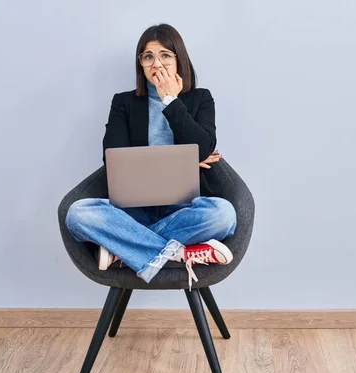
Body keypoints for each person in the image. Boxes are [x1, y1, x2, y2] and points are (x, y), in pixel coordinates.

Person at [65, 24, 237, 289]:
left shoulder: (201, 98)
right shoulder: (123, 103)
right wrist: (183, 162)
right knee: (77, 214)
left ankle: (122, 249)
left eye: (166, 55)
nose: (157, 63)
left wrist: (170, 101)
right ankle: (179, 254)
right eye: (148, 56)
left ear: (179, 59)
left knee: (224, 215)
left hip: (185, 210)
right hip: (133, 213)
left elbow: (203, 148)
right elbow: (113, 159)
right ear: (141, 64)